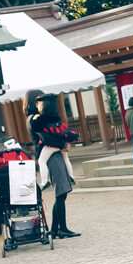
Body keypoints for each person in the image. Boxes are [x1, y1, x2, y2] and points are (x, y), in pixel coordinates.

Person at [27, 92, 80, 239]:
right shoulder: (35, 119)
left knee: (61, 194)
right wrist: (63, 142)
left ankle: (57, 229)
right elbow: (50, 136)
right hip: (52, 156)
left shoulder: (37, 119)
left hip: (53, 154)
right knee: (61, 192)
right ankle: (60, 228)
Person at [29, 94, 76, 190]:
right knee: (66, 158)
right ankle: (71, 177)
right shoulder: (56, 116)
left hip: (51, 144)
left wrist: (34, 119)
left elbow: (35, 128)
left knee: (42, 161)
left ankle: (45, 181)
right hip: (62, 143)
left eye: (39, 104)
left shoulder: (41, 118)